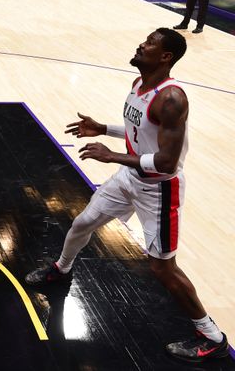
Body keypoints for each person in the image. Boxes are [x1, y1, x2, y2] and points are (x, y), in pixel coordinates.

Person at [25, 28, 229, 363]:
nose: (141, 44)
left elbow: (167, 160)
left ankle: (212, 336)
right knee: (83, 222)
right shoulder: (139, 86)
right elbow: (140, 129)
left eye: (150, 43)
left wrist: (112, 155)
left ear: (165, 57)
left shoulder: (172, 98)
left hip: (159, 189)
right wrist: (104, 128)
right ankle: (61, 270)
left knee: (163, 268)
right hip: (129, 178)